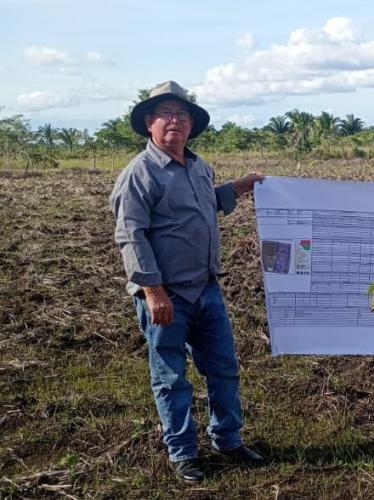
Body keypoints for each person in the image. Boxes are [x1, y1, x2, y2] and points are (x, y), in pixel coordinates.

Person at [110, 81, 265, 482]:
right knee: (171, 376)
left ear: (192, 125)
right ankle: (182, 451)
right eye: (166, 113)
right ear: (149, 123)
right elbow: (131, 235)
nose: (175, 121)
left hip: (207, 288)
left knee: (224, 369)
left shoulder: (198, 166)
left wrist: (238, 188)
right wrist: (153, 290)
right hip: (166, 295)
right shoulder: (139, 174)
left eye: (183, 115)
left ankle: (228, 440)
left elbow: (206, 202)